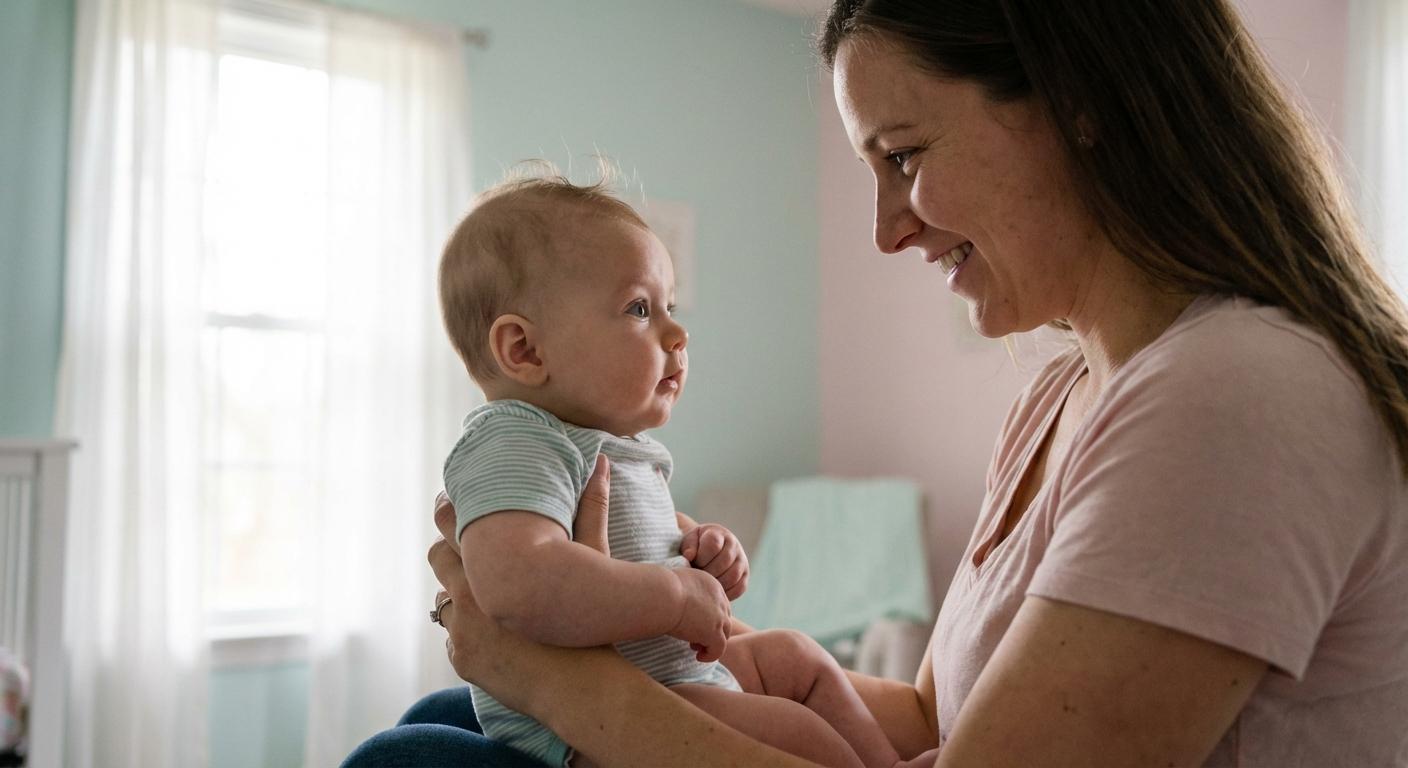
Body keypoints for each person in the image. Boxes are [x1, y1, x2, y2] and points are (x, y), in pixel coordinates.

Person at [348, 1, 1408, 765]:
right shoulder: (1064, 395)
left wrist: (556, 680)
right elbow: (941, 721)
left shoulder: (1237, 391)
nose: (884, 228)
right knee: (438, 722)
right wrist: (755, 661)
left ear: (1081, 103)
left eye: (901, 154)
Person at [426, 172, 922, 768]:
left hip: (664, 676)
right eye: (639, 307)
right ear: (525, 351)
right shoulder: (514, 439)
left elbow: (636, 547)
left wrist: (696, 546)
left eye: (670, 306)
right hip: (588, 727)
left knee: (797, 656)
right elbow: (517, 584)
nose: (678, 331)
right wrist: (675, 595)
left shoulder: (604, 441)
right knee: (794, 733)